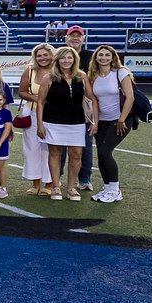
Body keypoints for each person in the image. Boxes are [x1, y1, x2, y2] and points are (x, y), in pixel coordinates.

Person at [37, 46, 93, 202]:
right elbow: (40, 102)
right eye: (63, 58)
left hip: (77, 122)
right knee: (55, 153)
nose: (66, 61)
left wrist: (94, 121)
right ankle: (56, 186)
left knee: (76, 154)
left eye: (69, 57)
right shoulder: (49, 78)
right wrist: (40, 125)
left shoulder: (81, 77)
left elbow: (91, 98)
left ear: (75, 59)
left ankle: (71, 187)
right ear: (57, 60)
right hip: (53, 121)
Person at [86, 44, 134, 204]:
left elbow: (130, 97)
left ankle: (115, 190)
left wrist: (121, 119)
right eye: (101, 55)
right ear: (96, 57)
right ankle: (108, 188)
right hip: (103, 120)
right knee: (100, 154)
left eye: (107, 55)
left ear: (113, 57)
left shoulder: (121, 72)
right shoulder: (93, 75)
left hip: (121, 119)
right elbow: (95, 101)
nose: (104, 57)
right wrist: (96, 122)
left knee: (105, 152)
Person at [18, 43, 55, 196]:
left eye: (45, 55)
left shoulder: (58, 71)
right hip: (31, 113)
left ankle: (49, 184)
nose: (42, 58)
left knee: (50, 149)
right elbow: (21, 92)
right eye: (39, 55)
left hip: (53, 115)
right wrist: (37, 98)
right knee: (32, 149)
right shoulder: (30, 70)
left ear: (52, 55)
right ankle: (35, 183)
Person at [61, 26, 94, 190]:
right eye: (72, 35)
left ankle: (84, 179)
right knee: (58, 146)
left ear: (83, 38)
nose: (75, 38)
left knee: (85, 146)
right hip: (60, 106)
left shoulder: (91, 56)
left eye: (78, 36)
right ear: (66, 38)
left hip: (84, 106)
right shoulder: (59, 55)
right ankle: (57, 178)